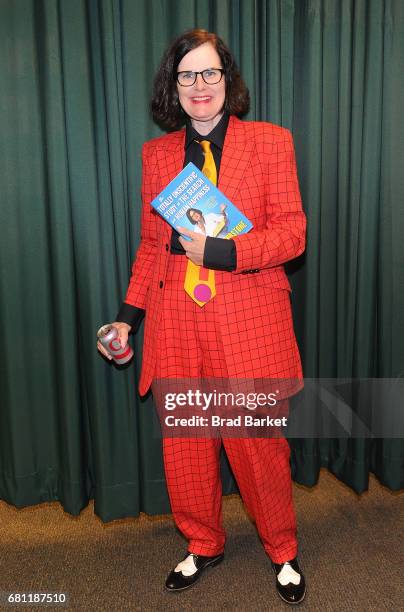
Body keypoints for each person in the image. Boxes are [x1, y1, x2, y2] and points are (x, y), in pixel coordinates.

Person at [97, 29, 307, 604]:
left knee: (257, 447)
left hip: (248, 320)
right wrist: (126, 319)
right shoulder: (157, 155)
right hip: (178, 325)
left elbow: (293, 234)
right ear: (174, 86)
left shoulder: (270, 143)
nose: (199, 86)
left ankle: (282, 549)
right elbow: (148, 246)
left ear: (227, 79)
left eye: (209, 73)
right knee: (186, 447)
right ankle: (203, 541)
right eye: (186, 75)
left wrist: (223, 252)